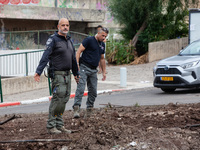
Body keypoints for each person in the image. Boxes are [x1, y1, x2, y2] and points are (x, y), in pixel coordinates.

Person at [34, 18, 79, 134]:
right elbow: (46, 55)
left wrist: (76, 74)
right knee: (57, 100)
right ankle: (51, 126)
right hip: (58, 75)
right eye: (63, 25)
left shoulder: (69, 41)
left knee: (64, 100)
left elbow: (73, 59)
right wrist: (38, 71)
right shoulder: (53, 40)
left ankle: (59, 125)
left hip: (67, 75)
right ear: (58, 27)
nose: (65, 27)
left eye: (67, 25)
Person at [73, 27, 109, 118]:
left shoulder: (102, 45)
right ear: (98, 33)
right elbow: (78, 52)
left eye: (105, 36)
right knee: (81, 88)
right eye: (103, 35)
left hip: (93, 70)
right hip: (84, 67)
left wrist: (104, 72)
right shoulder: (89, 40)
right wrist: (77, 65)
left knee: (93, 91)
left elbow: (102, 58)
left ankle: (89, 109)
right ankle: (76, 109)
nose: (104, 38)